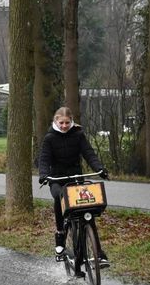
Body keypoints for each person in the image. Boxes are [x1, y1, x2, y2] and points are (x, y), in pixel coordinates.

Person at [36, 106, 109, 261]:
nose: (64, 126)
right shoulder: (49, 138)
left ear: (71, 121)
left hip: (76, 178)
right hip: (57, 179)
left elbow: (89, 154)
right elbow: (44, 159)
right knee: (59, 197)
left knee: (87, 211)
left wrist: (99, 169)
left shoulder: (78, 135)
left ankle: (98, 252)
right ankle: (60, 237)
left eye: (67, 123)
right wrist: (43, 175)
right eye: (61, 123)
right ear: (55, 121)